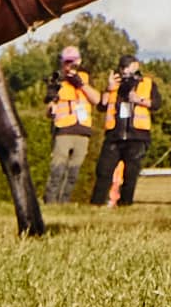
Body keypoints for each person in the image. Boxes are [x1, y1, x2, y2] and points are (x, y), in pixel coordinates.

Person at [91, 54, 154, 207]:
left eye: (129, 67)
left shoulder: (147, 83)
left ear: (136, 66)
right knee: (103, 171)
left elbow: (156, 104)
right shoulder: (114, 85)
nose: (125, 71)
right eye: (123, 67)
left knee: (130, 174)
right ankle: (96, 204)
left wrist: (138, 100)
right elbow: (101, 106)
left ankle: (126, 204)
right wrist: (108, 88)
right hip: (114, 135)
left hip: (137, 136)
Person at [42, 45, 100, 205]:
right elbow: (49, 111)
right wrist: (51, 105)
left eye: (73, 63)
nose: (70, 66)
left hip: (82, 130)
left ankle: (64, 202)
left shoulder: (86, 78)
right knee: (57, 170)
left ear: (79, 62)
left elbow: (97, 100)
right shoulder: (57, 80)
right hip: (63, 131)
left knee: (73, 172)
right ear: (62, 63)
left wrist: (81, 84)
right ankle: (51, 202)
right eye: (67, 63)